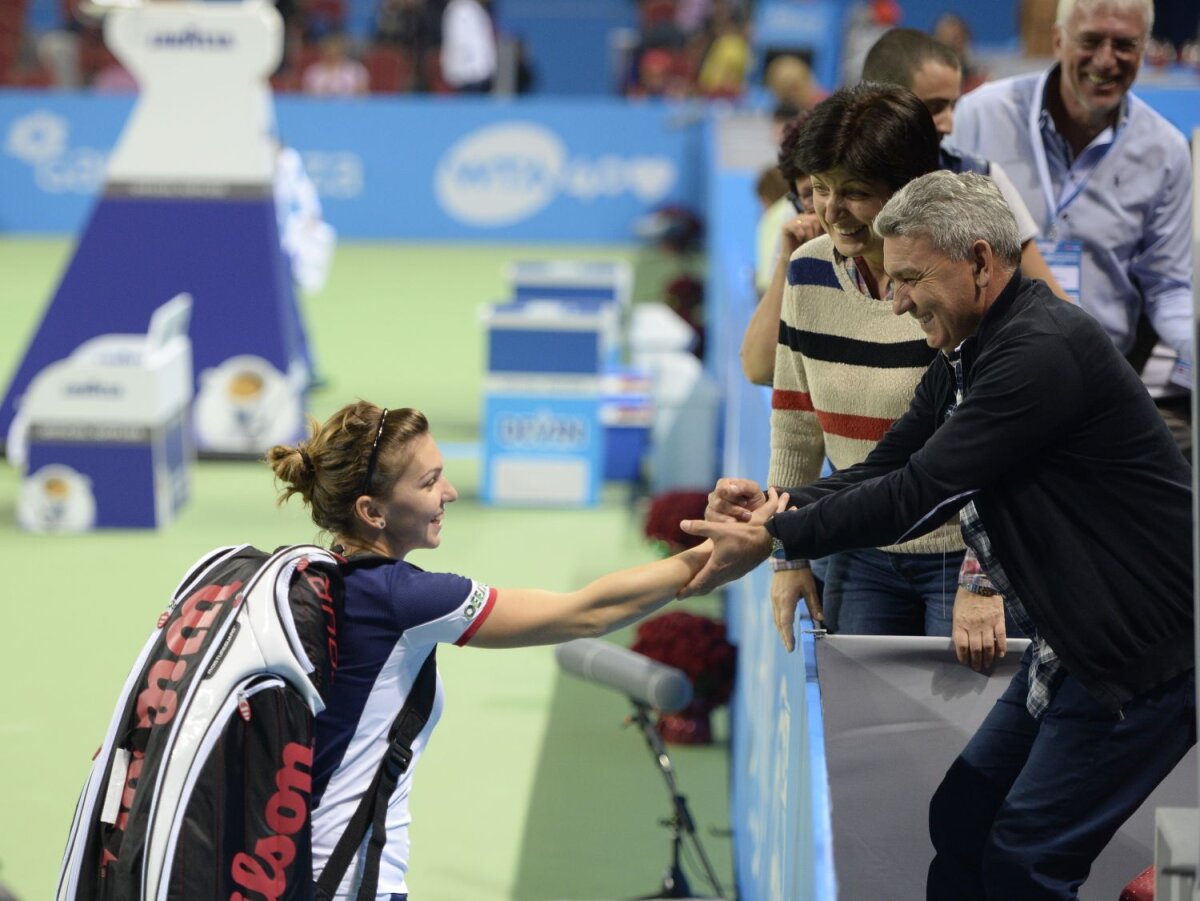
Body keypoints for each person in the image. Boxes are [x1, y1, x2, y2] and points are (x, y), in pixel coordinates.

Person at [683, 171, 1195, 900]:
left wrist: (777, 538)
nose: (895, 301)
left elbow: (920, 494)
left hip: (1146, 657)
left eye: (911, 279)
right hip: (1077, 639)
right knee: (963, 813)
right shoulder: (974, 347)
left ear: (982, 262)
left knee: (1026, 863)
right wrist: (775, 507)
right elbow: (886, 464)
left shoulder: (1038, 352)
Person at [266, 400, 783, 899]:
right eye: (428, 482)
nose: (449, 492)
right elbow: (585, 613)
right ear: (371, 511)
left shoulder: (306, 573)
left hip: (284, 864)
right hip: (346, 878)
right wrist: (718, 550)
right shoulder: (404, 597)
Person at [747, 83, 969, 638]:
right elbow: (795, 427)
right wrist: (788, 556)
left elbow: (999, 445)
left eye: (855, 192)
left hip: (960, 557)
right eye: (820, 189)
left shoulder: (960, 279)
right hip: (858, 552)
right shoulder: (807, 269)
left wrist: (982, 575)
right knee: (864, 727)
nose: (832, 211)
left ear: (908, 190)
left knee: (956, 729)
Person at [949, 0, 1194, 452]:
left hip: (1099, 386)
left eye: (1125, 45)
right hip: (987, 381)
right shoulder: (980, 116)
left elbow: (1169, 289)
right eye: (1091, 41)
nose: (1106, 60)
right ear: (1059, 40)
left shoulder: (1165, 151)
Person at [860, 27, 1068, 300]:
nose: (949, 123)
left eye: (953, 106)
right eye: (934, 108)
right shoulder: (832, 190)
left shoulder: (984, 180)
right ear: (883, 104)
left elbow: (1048, 296)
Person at [440, 0, 496, 93]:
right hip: (467, 74)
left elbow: (483, 42)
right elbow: (461, 43)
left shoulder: (476, 9)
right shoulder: (461, 9)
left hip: (478, 73)